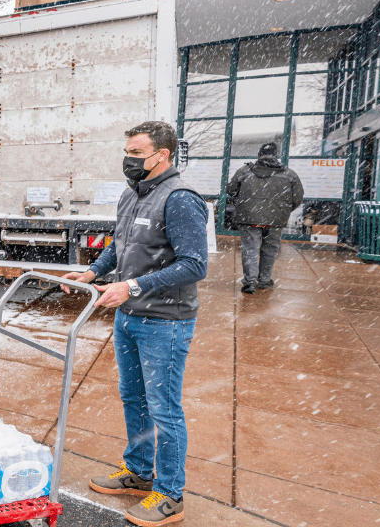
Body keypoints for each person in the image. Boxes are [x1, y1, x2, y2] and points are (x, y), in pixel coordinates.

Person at [61, 121, 208, 527]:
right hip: (129, 318)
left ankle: (170, 494)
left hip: (165, 322)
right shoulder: (133, 194)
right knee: (134, 398)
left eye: (137, 153)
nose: (129, 160)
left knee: (165, 409)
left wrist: (134, 285)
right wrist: (93, 273)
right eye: (127, 151)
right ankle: (140, 474)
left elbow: (195, 264)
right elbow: (119, 244)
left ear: (163, 155)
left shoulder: (180, 199)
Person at [226, 142, 304, 294]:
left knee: (250, 249)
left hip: (249, 217)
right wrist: (282, 210)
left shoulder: (245, 171)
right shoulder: (289, 174)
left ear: (259, 155)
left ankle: (249, 282)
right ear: (276, 156)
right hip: (275, 219)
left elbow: (231, 189)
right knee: (270, 250)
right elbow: (298, 198)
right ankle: (264, 280)